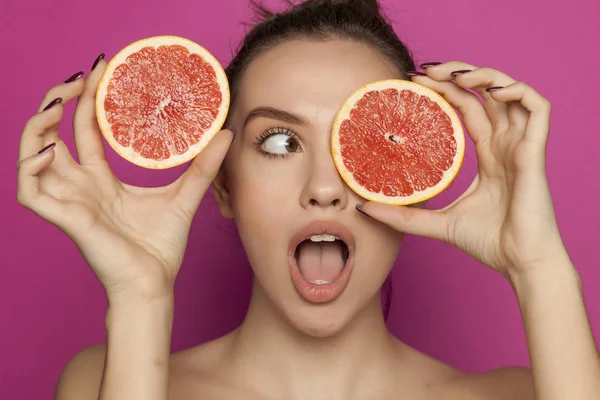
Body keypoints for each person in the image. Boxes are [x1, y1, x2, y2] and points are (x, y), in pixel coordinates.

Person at [16, 0, 600, 399]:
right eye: (279, 141)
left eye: (367, 142)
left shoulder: (527, 393)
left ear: (412, 175)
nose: (323, 186)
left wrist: (539, 267)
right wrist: (140, 296)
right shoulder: (106, 377)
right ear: (224, 182)